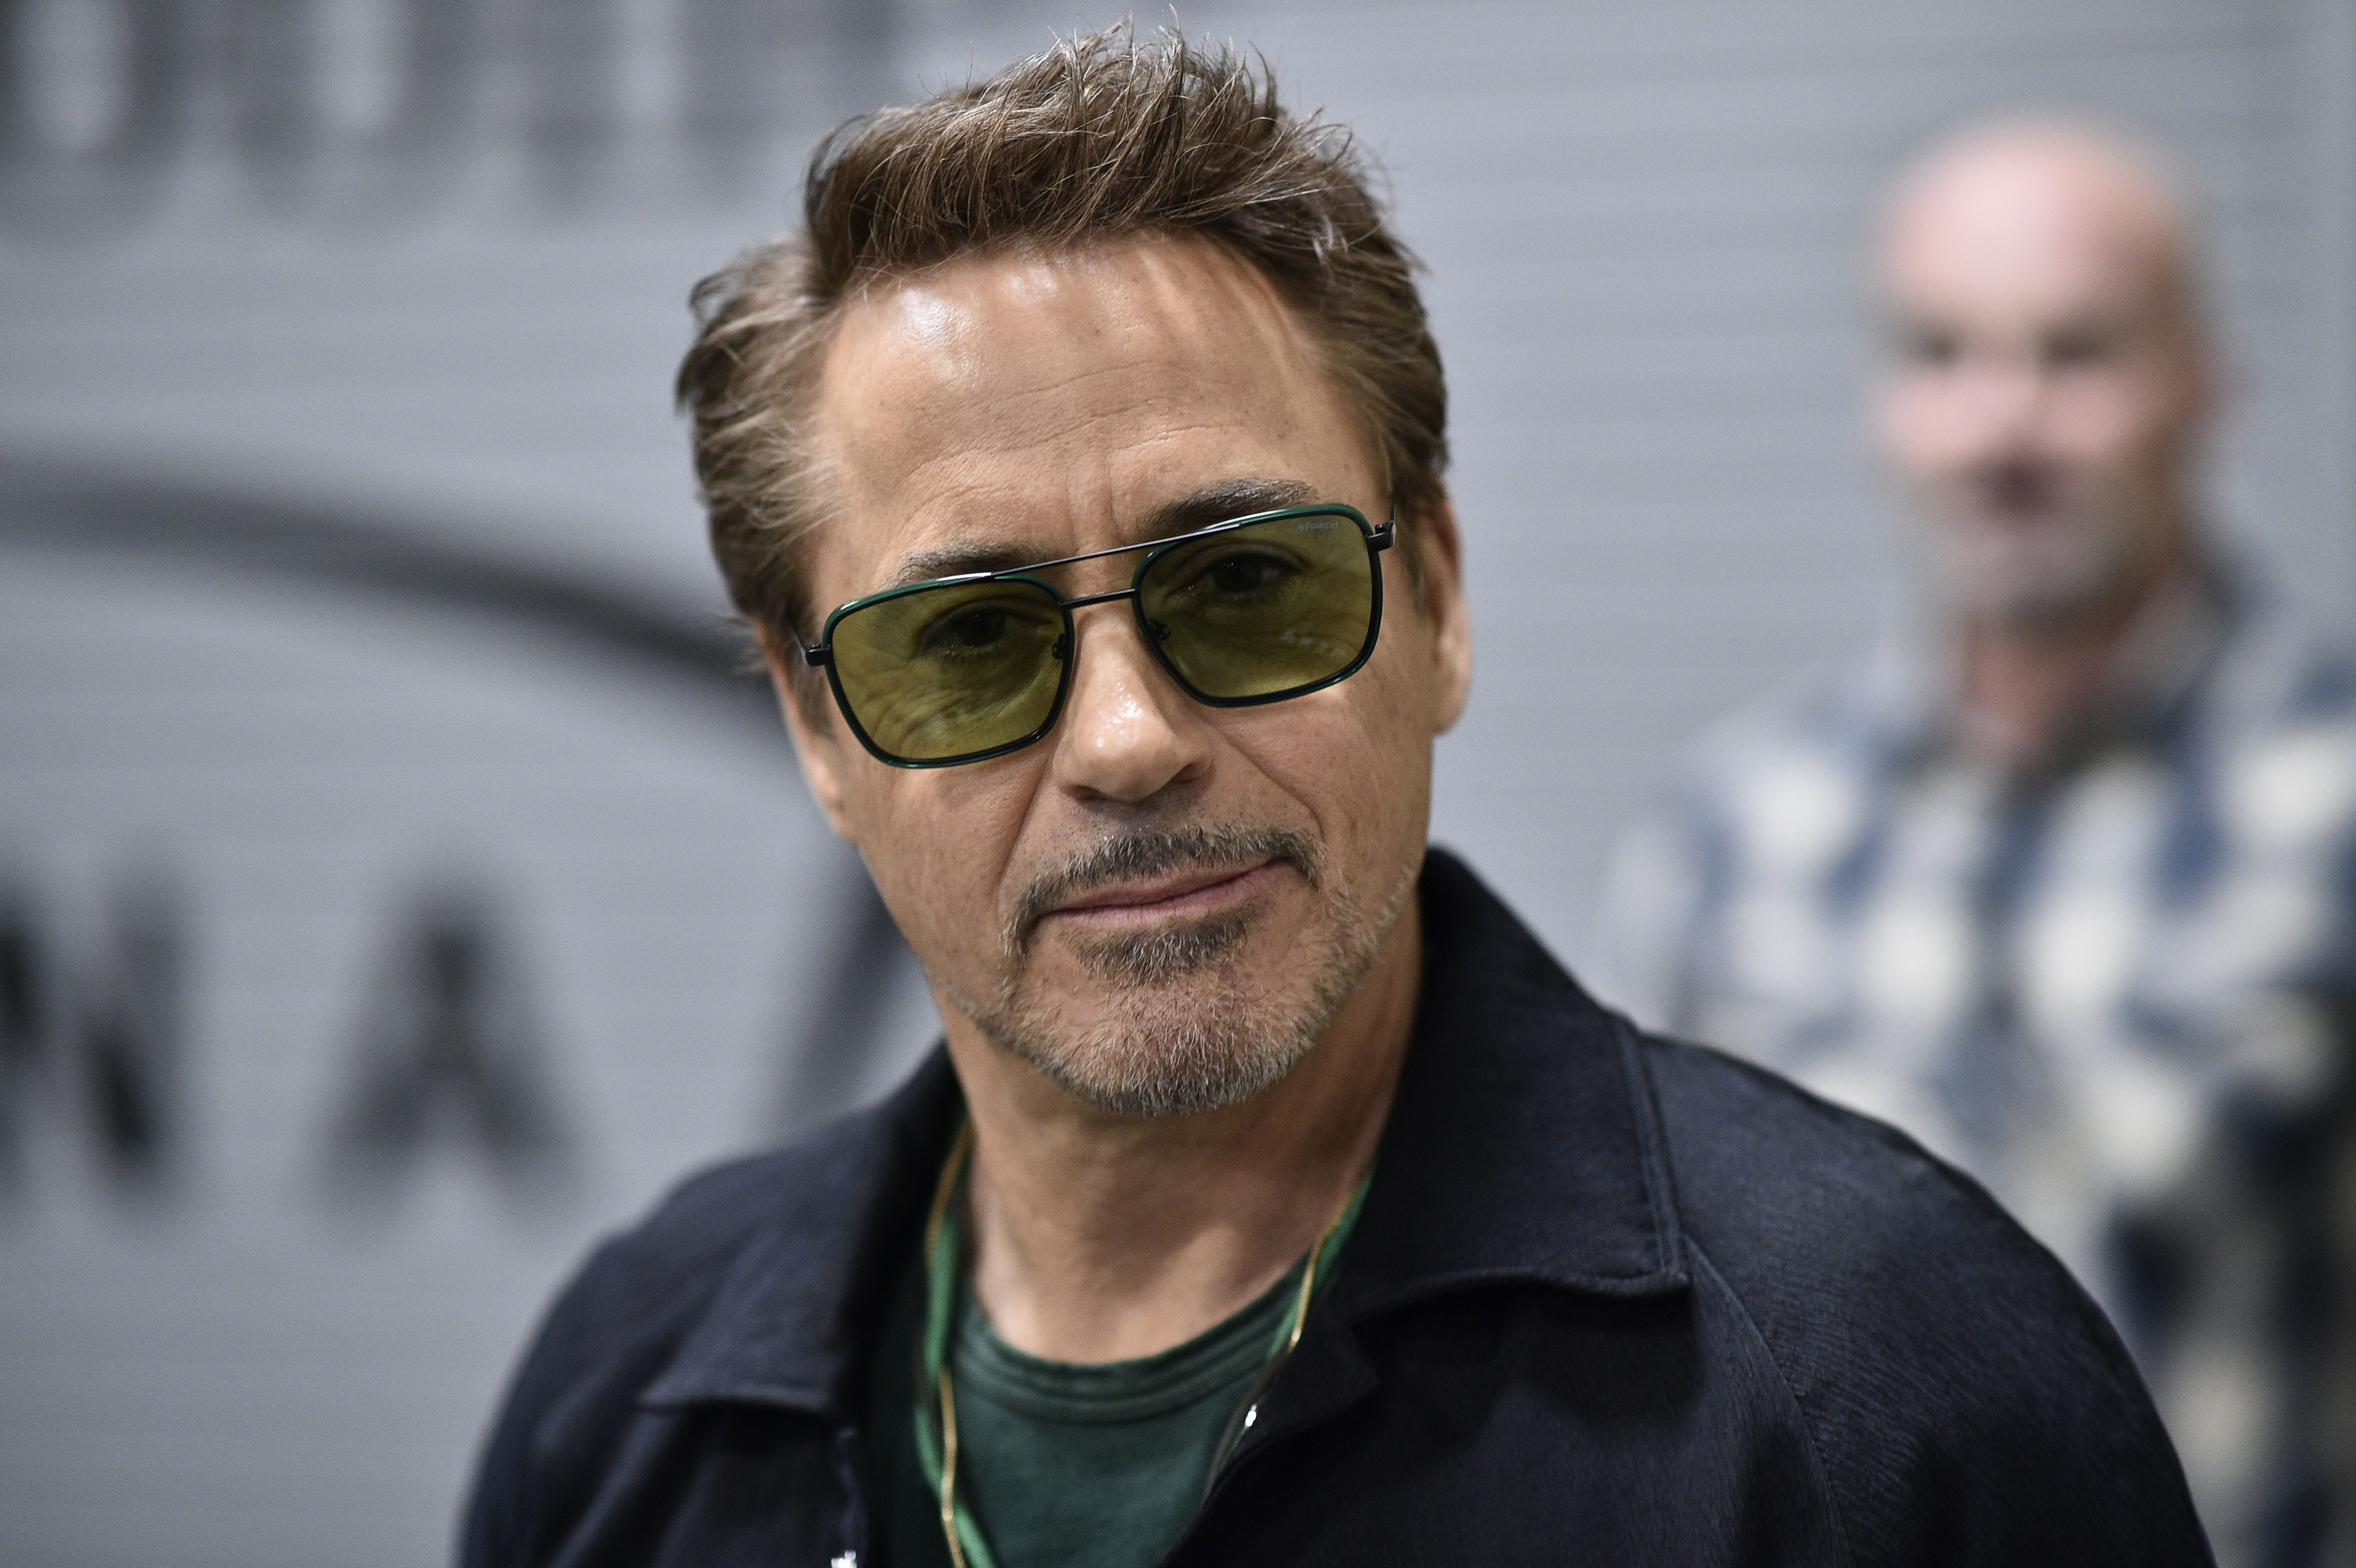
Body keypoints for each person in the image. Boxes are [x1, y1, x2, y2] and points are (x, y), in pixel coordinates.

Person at [463, 38, 2207, 1567]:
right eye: (969, 644)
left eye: (1246, 591)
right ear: (817, 727)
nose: (1129, 741)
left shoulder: (1890, 1398)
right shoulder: (624, 1413)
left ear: (1439, 602)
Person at [1601, 116, 2356, 1568]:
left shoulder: (2331, 810)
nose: (2003, 427)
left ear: (2204, 384)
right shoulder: (1729, 833)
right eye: (1942, 356)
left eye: (2077, 355)